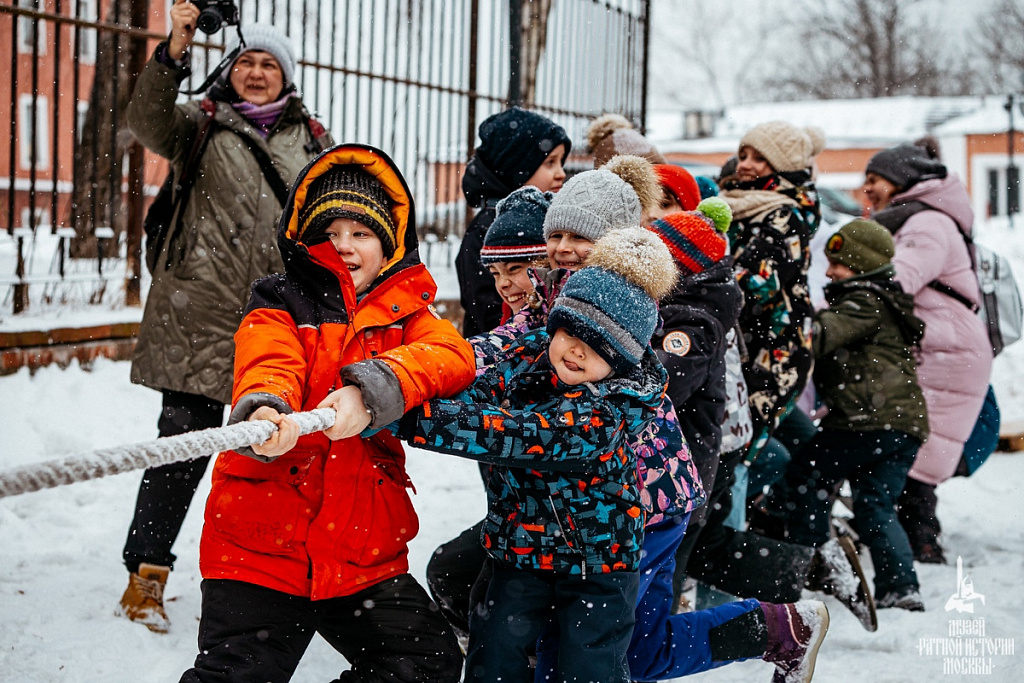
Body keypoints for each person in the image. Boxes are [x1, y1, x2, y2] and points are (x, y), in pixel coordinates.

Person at [396, 227, 830, 683]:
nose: (562, 250)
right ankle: (781, 630)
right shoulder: (557, 321)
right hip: (567, 528)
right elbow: (488, 360)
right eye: (554, 237)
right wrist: (407, 380)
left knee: (599, 654)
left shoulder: (645, 348)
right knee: (626, 649)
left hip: (644, 510)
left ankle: (781, 618)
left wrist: (409, 416)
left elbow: (527, 433)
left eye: (519, 267)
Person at [178, 144, 476, 682]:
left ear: (388, 245)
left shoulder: (409, 315)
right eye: (330, 233)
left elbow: (452, 356)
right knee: (236, 676)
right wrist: (268, 410)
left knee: (425, 663)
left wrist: (379, 386)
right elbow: (269, 363)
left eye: (360, 233)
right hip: (261, 548)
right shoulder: (278, 302)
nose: (344, 246)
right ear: (306, 240)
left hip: (361, 554)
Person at [120, 0, 333, 632]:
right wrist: (175, 48)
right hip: (199, 314)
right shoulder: (200, 125)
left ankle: (264, 581)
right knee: (180, 450)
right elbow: (147, 120)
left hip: (274, 324)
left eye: (270, 64)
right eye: (247, 61)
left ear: (286, 77)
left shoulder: (313, 141)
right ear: (231, 69)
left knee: (272, 456)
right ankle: (145, 576)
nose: (257, 72)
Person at [780, 219, 929, 612]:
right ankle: (900, 588)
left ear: (860, 265)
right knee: (875, 505)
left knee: (806, 475)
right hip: (902, 424)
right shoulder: (883, 297)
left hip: (869, 422)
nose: (829, 272)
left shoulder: (865, 300)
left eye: (838, 263)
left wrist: (792, 313)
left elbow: (820, 335)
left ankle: (812, 563)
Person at [863, 142, 993, 564]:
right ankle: (914, 541)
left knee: (915, 453)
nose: (866, 190)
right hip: (939, 346)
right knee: (912, 450)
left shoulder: (928, 223)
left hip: (947, 351)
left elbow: (900, 278)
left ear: (900, 180)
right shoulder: (917, 218)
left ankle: (920, 546)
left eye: (874, 180)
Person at [456, 107, 571, 337]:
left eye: (561, 163)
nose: (561, 174)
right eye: (550, 163)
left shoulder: (556, 220)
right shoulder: (489, 229)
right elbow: (488, 312)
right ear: (517, 168)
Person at [479, 185, 552, 322]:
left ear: (547, 264)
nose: (502, 284)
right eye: (495, 273)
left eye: (513, 268)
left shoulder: (562, 326)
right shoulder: (510, 320)